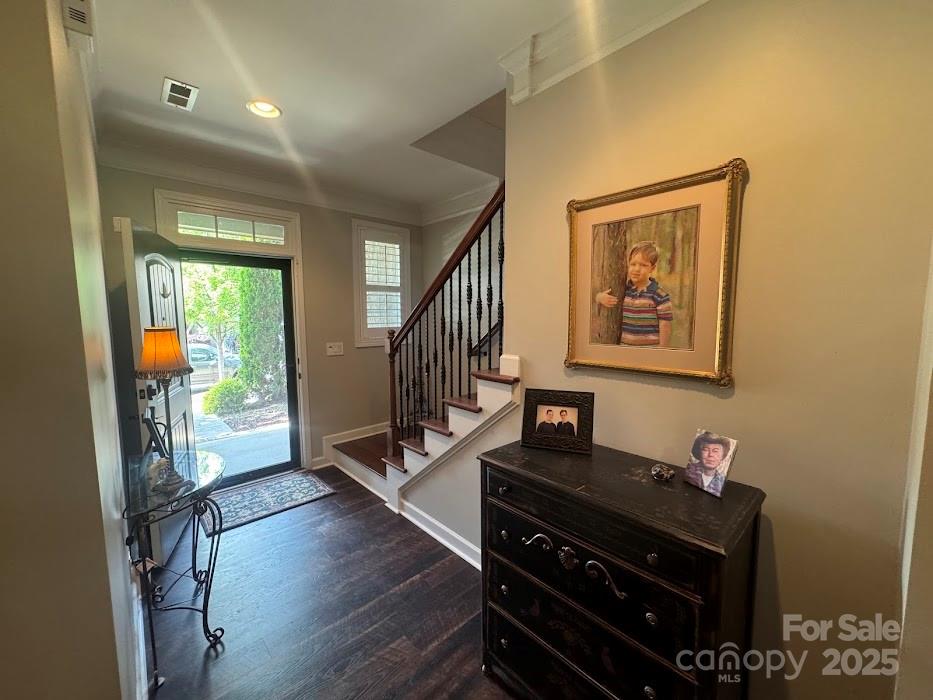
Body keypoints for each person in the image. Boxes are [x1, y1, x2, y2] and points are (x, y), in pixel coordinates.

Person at [595, 240, 673, 347]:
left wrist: (662, 349)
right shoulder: (624, 290)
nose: (637, 269)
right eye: (633, 264)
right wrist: (599, 297)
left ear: (652, 268)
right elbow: (597, 297)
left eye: (643, 265)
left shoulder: (659, 295)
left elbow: (665, 325)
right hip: (626, 350)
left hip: (650, 351)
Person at [684, 431, 732, 497]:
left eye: (715, 451)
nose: (711, 455)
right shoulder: (689, 471)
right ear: (699, 452)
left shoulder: (721, 481)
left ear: (722, 456)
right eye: (706, 449)